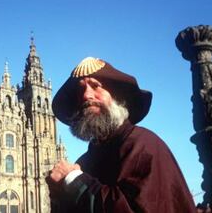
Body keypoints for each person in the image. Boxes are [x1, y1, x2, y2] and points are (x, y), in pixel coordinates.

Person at [47, 57, 196, 212]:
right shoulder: (85, 162)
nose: (86, 95)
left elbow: (132, 208)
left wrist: (73, 180)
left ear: (117, 97)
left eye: (95, 86)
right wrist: (60, 192)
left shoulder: (143, 145)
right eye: (80, 91)